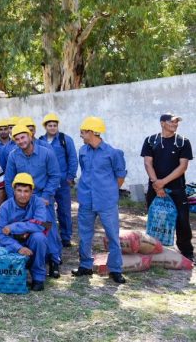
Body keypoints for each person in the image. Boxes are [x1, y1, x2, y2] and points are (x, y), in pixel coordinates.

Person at [71, 117, 127, 283]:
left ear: (92, 132)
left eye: (83, 132)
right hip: (86, 200)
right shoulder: (82, 151)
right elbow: (84, 171)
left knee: (112, 236)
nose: (81, 135)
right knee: (84, 235)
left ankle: (115, 269)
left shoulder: (113, 153)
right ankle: (85, 266)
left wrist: (109, 191)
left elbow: (120, 176)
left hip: (106, 201)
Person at [4, 124, 62, 278]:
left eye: (23, 137)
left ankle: (54, 261)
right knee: (22, 229)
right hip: (22, 198)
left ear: (30, 136)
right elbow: (9, 180)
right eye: (17, 139)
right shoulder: (13, 156)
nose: (21, 141)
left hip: (42, 198)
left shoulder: (46, 153)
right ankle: (26, 262)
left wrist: (46, 196)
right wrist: (14, 201)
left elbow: (55, 176)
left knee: (48, 228)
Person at [141, 112, 193, 261]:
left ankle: (187, 252)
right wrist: (157, 184)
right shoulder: (151, 140)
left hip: (177, 189)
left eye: (177, 122)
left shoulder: (183, 142)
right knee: (155, 219)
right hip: (155, 188)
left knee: (182, 222)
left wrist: (162, 183)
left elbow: (183, 166)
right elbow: (147, 163)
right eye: (172, 122)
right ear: (162, 123)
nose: (175, 124)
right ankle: (152, 249)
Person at [0, 173, 50, 292]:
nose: (22, 195)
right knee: (1, 250)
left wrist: (13, 227)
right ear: (14, 191)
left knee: (39, 238)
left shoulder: (38, 203)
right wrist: (18, 248)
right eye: (19, 190)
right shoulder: (5, 207)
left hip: (31, 240)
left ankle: (38, 278)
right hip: (12, 242)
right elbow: (1, 234)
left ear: (32, 192)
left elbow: (41, 225)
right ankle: (12, 276)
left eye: (26, 191)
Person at [39, 113, 78, 247]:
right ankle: (49, 236)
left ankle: (66, 237)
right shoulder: (41, 141)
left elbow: (73, 158)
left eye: (54, 125)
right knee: (46, 210)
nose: (52, 127)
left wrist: (70, 177)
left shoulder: (65, 140)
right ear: (45, 127)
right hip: (47, 182)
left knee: (64, 210)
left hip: (62, 182)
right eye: (50, 125)